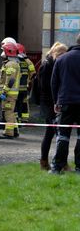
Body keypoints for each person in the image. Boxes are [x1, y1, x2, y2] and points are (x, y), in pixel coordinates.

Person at [50, 35, 80, 174]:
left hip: (66, 101)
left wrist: (56, 101)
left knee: (63, 136)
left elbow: (54, 83)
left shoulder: (62, 58)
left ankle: (58, 166)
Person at [39, 42, 68, 170]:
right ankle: (45, 161)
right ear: (58, 53)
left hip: (54, 102)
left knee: (58, 134)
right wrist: (54, 103)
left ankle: (59, 162)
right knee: (51, 132)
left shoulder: (53, 63)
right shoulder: (47, 65)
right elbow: (45, 87)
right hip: (49, 104)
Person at [0, 42, 20, 139]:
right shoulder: (11, 63)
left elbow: (10, 80)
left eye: (3, 51)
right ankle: (14, 131)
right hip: (10, 94)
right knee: (11, 112)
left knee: (8, 113)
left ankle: (8, 133)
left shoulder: (11, 65)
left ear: (8, 52)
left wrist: (4, 92)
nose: (2, 53)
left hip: (9, 94)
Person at [15, 43, 36, 127]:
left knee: (17, 104)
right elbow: (33, 72)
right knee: (24, 104)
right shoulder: (27, 62)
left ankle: (18, 121)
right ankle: (24, 119)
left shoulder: (14, 62)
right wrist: (29, 80)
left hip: (16, 88)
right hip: (25, 88)